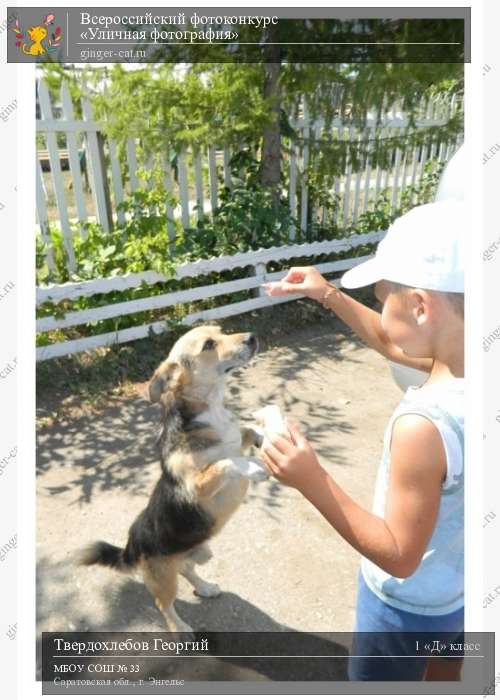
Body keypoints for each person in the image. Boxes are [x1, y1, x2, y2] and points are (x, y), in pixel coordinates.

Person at [261, 200, 465, 681]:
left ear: (419, 305)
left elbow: (399, 554)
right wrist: (328, 295)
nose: (379, 306)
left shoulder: (424, 424)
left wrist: (311, 479)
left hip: (402, 610)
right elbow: (398, 341)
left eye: (382, 297)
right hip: (460, 596)